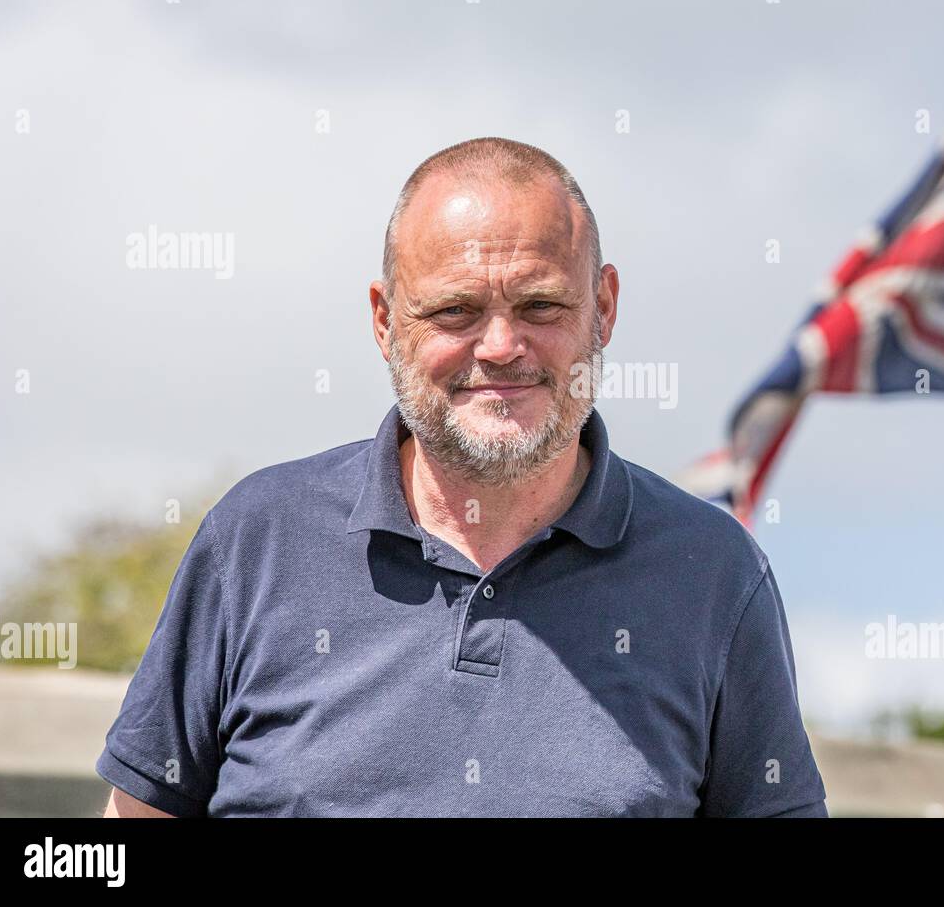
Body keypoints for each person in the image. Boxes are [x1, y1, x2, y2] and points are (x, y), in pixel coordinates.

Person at [98, 137, 828, 817]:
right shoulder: (256, 539)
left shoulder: (713, 576)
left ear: (603, 307)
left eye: (540, 305)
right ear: (385, 321)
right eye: (455, 311)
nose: (503, 346)